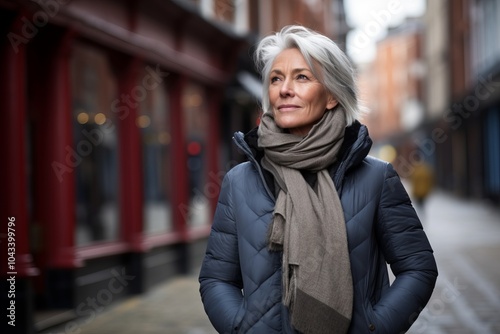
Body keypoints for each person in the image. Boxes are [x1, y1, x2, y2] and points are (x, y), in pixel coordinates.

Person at [199, 25, 437, 334]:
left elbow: (418, 268)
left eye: (301, 77)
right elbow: (216, 278)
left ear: (332, 96)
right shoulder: (239, 181)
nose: (285, 89)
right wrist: (241, 327)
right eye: (276, 78)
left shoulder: (376, 178)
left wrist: (375, 327)